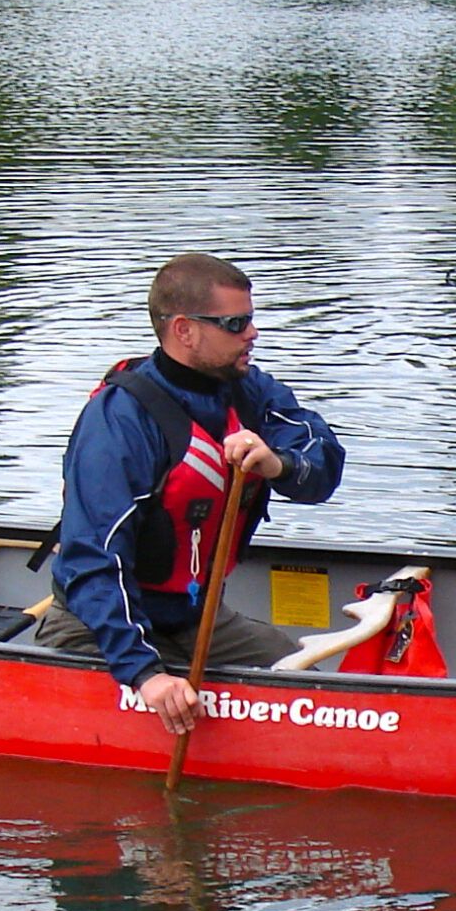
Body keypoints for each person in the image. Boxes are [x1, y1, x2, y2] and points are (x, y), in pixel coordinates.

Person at [36, 252, 346, 736]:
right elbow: (93, 560)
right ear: (184, 330)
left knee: (315, 697)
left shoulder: (248, 390)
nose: (252, 334)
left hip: (195, 621)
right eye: (235, 323)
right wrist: (145, 674)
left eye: (251, 319)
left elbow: (323, 461)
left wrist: (278, 463)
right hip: (99, 629)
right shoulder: (119, 421)